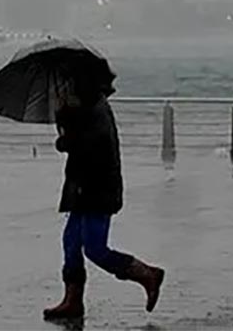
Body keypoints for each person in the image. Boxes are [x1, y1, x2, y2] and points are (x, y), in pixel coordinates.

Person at [43, 77, 165, 322]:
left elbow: (87, 146)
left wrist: (66, 126)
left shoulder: (93, 110)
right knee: (70, 242)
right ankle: (73, 300)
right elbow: (73, 142)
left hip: (97, 189)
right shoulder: (83, 107)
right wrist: (64, 116)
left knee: (95, 248)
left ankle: (146, 274)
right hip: (82, 187)